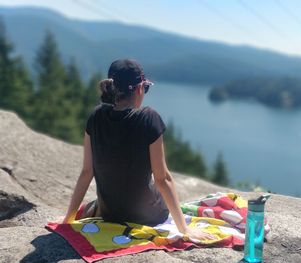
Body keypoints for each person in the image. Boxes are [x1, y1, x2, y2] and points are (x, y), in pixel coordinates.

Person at [63, 59, 216, 241]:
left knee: (94, 204)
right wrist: (184, 229)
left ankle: (92, 209)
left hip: (109, 214)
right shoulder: (148, 118)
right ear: (139, 88)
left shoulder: (95, 116)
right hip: (148, 217)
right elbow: (163, 178)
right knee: (157, 192)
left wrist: (67, 220)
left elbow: (87, 172)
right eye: (146, 87)